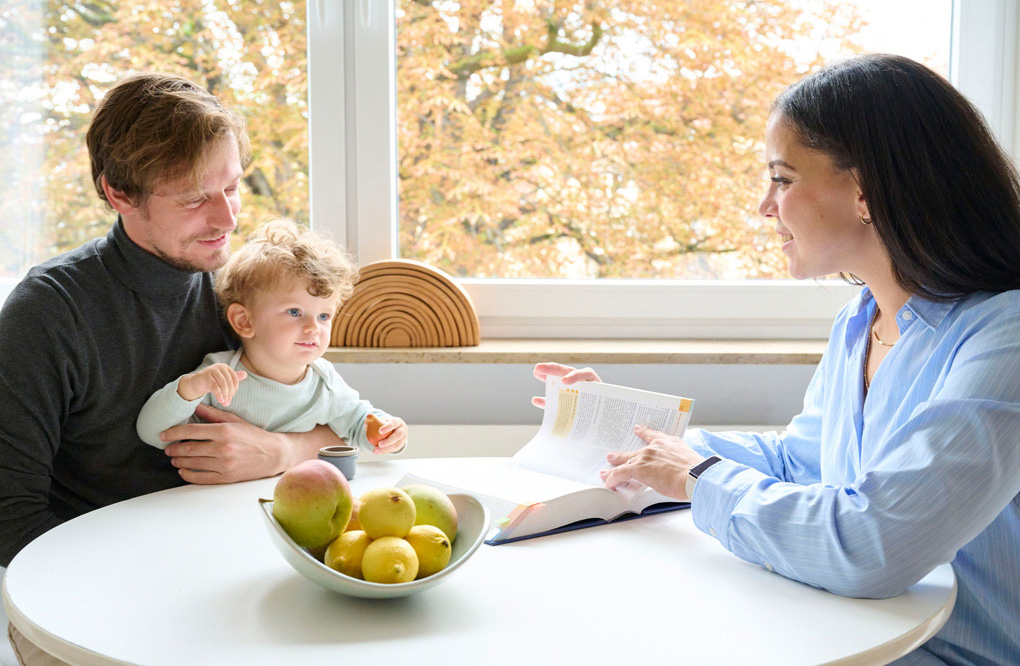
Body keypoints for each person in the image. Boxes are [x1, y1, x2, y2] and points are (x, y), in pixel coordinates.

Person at [534, 55, 1020, 664]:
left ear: (867, 190)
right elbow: (803, 462)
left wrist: (696, 477)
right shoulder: (860, 321)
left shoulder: (1006, 336)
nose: (765, 206)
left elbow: (873, 547)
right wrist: (637, 434)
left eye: (783, 179)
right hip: (857, 633)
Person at [0, 73, 345, 663]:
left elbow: (343, 433)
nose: (228, 219)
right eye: (193, 199)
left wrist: (281, 452)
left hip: (231, 582)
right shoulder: (47, 314)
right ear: (118, 194)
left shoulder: (243, 291)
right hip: (94, 597)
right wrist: (151, 595)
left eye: (233, 187)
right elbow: (11, 516)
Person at [136, 219, 407, 454]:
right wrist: (189, 389)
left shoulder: (325, 384)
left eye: (324, 316)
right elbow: (151, 433)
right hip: (219, 506)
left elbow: (360, 424)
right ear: (244, 321)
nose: (314, 327)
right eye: (294, 311)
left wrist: (388, 432)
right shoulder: (220, 376)